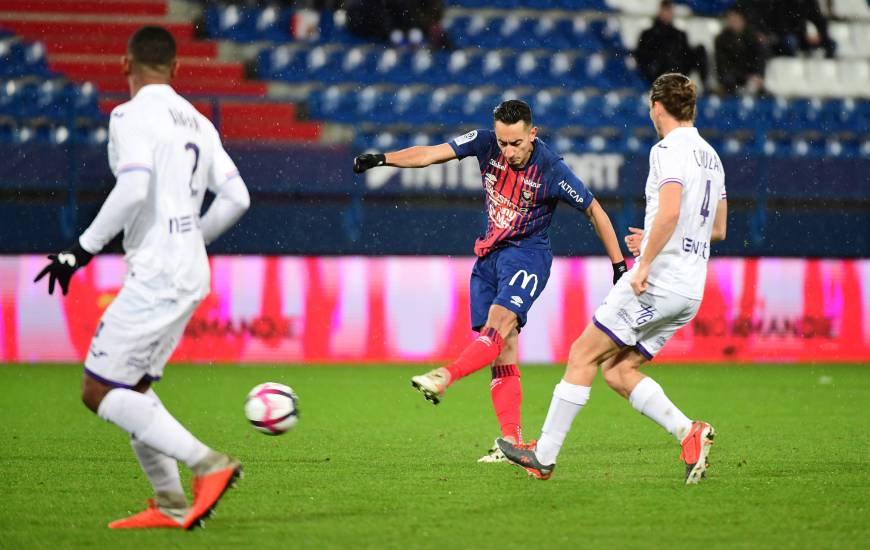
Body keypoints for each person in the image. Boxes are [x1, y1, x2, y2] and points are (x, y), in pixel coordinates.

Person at [34, 26, 250, 529]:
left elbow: (133, 188)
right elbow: (238, 198)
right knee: (131, 384)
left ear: (125, 64)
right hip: (188, 267)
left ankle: (209, 464)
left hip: (157, 271)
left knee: (98, 389)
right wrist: (193, 238)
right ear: (176, 69)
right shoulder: (198, 121)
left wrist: (78, 251)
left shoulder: (130, 115)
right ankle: (171, 501)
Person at [353, 99, 627, 462]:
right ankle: (511, 441)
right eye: (503, 143)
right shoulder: (484, 143)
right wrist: (384, 158)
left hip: (527, 256)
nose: (508, 151)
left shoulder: (552, 170)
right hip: (488, 258)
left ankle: (445, 376)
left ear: (532, 133)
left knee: (499, 326)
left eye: (515, 143)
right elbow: (431, 154)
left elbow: (594, 210)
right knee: (502, 346)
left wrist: (619, 265)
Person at [497, 73, 727, 484]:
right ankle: (689, 432)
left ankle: (543, 457)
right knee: (618, 370)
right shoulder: (711, 156)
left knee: (582, 354)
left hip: (660, 279)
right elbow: (717, 227)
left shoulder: (667, 149)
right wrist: (657, 233)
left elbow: (672, 211)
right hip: (691, 289)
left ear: (657, 107)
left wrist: (645, 262)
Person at [634, 1, 709, 87]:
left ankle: (704, 86)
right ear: (659, 12)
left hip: (677, 72)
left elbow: (686, 56)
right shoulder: (648, 34)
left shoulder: (679, 34)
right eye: (665, 11)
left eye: (669, 11)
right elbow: (641, 57)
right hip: (657, 74)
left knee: (699, 50)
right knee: (666, 52)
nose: (667, 14)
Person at [714, 8, 766, 94]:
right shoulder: (721, 39)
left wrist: (758, 75)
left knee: (758, 86)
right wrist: (745, 76)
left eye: (736, 20)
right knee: (728, 81)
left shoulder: (753, 37)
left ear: (743, 20)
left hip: (750, 75)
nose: (733, 23)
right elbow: (722, 64)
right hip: (732, 77)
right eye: (730, 20)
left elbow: (759, 58)